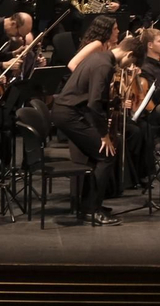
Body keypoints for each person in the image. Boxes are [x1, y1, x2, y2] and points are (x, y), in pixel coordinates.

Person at [47, 16, 125, 226]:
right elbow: (73, 64)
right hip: (75, 107)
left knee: (98, 155)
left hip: (79, 107)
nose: (118, 31)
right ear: (106, 30)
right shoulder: (98, 46)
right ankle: (91, 208)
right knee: (103, 154)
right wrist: (93, 83)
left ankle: (89, 205)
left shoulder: (106, 49)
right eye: (115, 28)